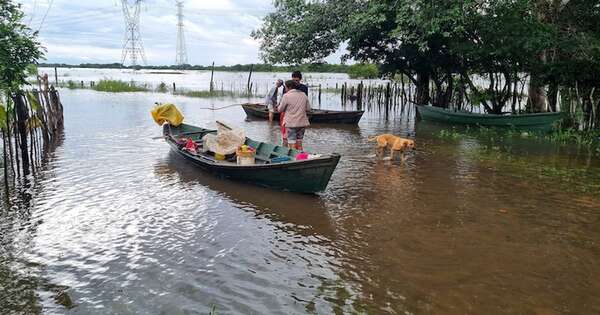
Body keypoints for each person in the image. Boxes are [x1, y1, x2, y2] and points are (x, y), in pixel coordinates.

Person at [278, 80, 311, 150]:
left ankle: (294, 159)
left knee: (292, 145)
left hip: (291, 124)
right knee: (299, 144)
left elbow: (280, 109)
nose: (285, 89)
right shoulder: (303, 95)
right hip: (302, 123)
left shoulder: (286, 96)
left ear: (289, 87)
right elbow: (308, 109)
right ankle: (301, 158)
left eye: (286, 87)